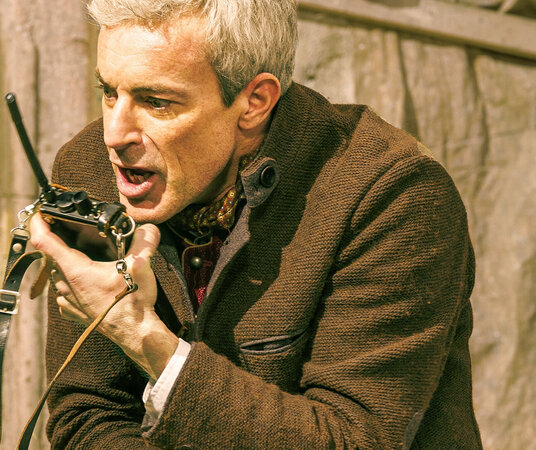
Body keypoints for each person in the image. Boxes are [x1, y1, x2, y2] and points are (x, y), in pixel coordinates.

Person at [28, 0, 482, 448]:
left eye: (156, 102)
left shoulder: (391, 195)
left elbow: (355, 440)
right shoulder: (90, 170)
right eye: (109, 91)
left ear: (254, 102)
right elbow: (87, 415)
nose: (114, 134)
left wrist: (138, 333)